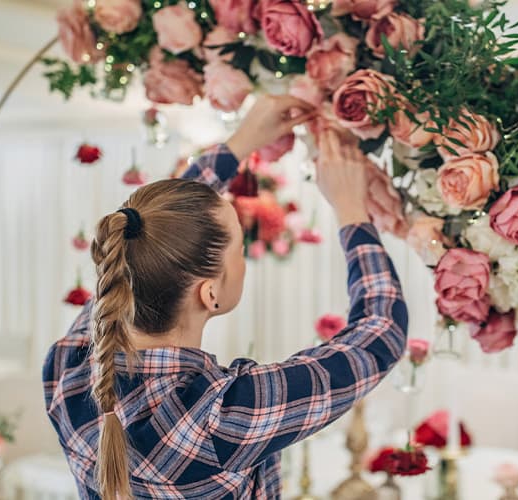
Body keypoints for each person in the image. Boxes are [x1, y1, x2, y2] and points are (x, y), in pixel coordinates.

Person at [42, 95, 408, 500]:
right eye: (238, 249)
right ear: (210, 292)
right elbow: (381, 334)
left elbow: (154, 234)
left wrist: (242, 142)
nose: (244, 260)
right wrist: (352, 212)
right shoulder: (221, 419)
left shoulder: (67, 368)